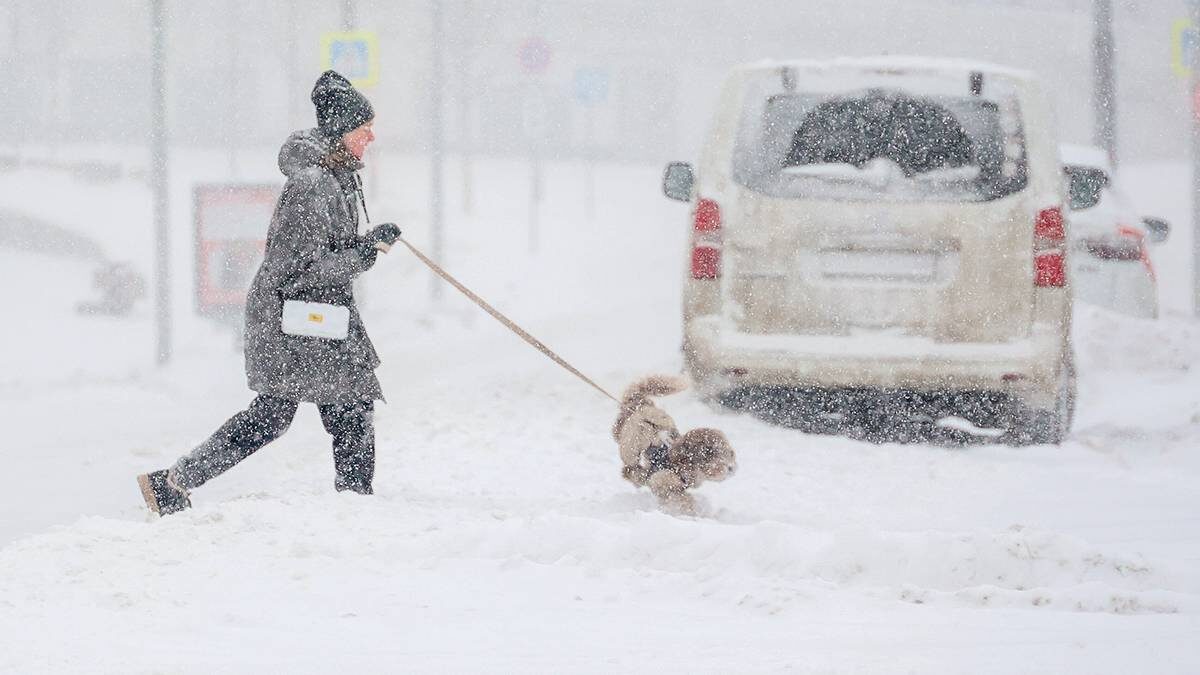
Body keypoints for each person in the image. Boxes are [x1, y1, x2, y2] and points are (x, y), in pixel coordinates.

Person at [137, 71, 401, 516]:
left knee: (311, 410)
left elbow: (322, 256)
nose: (372, 136)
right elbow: (306, 270)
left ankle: (173, 482)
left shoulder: (335, 178)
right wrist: (365, 252)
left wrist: (363, 244)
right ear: (341, 132)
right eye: (364, 128)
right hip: (293, 318)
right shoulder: (312, 187)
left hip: (309, 318)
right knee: (318, 409)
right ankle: (356, 507)